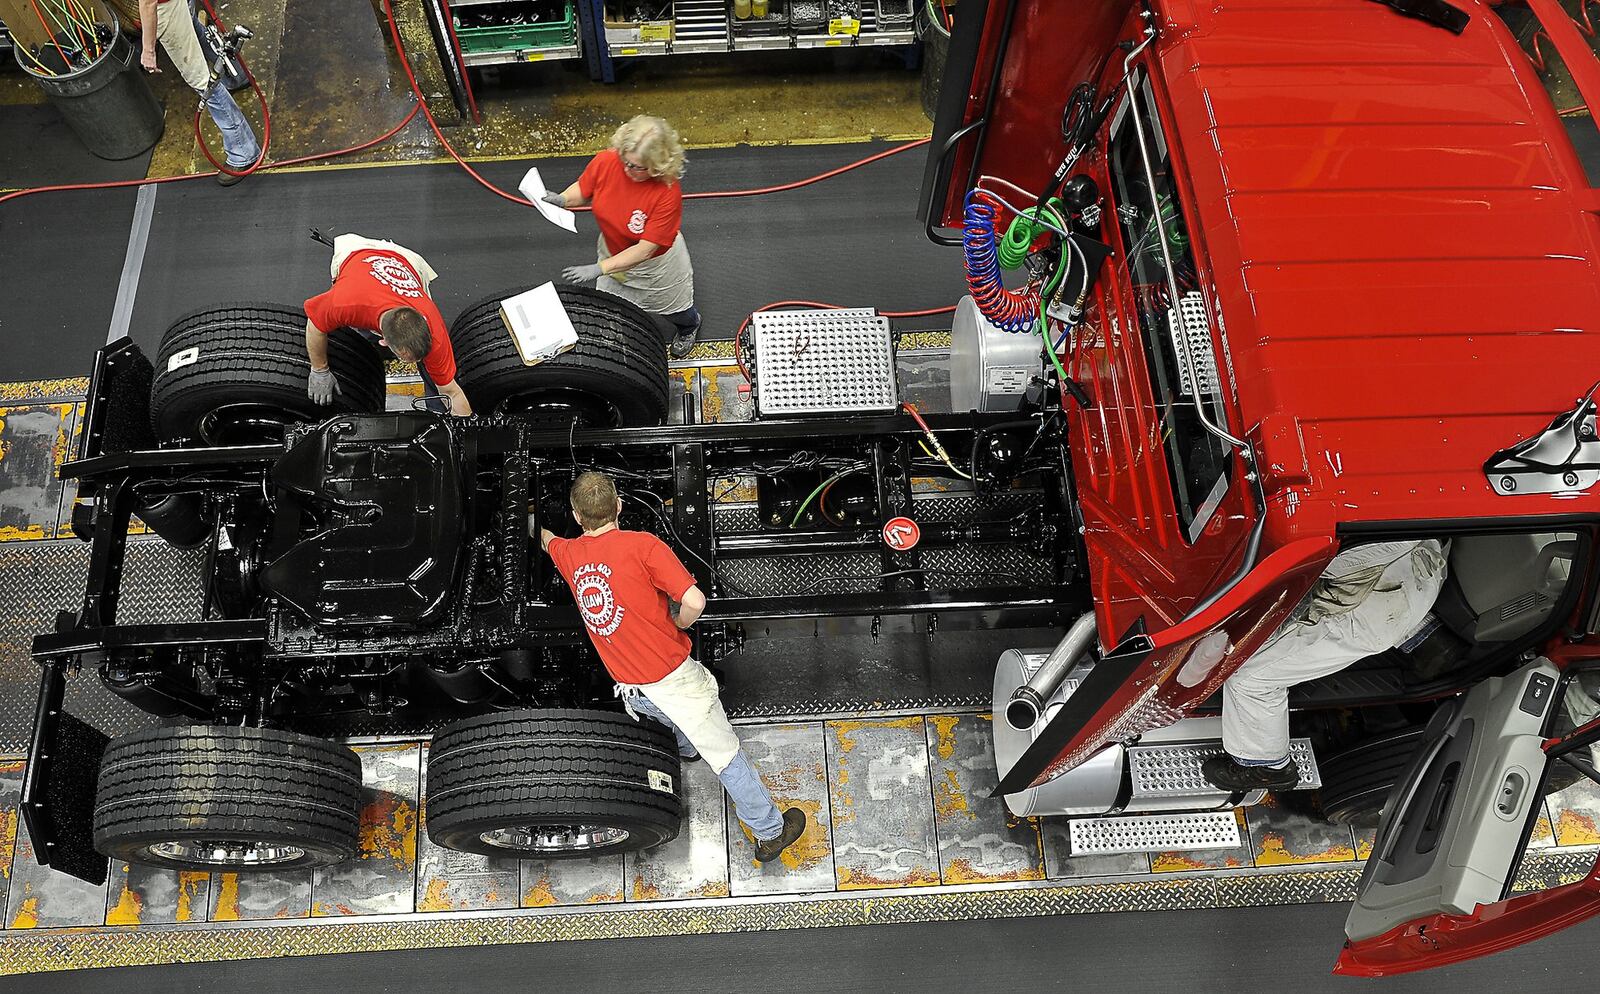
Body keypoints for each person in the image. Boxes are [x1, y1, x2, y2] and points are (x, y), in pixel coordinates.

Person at [538, 471, 806, 863]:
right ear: (619, 506)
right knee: (727, 755)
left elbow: (547, 541)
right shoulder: (643, 545)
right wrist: (680, 623)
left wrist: (530, 522)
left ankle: (686, 749)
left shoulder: (570, 554)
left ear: (578, 517)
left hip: (633, 691)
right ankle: (770, 832)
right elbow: (694, 600)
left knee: (671, 721)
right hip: (674, 680)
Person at [1202, 539, 1451, 792]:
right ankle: (1423, 635)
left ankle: (1267, 767)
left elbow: (1295, 586)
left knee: (1250, 678)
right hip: (1424, 566)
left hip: (1378, 607)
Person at [543, 116, 701, 359]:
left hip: (653, 267)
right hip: (613, 252)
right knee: (615, 301)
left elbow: (645, 250)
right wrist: (563, 199)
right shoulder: (608, 160)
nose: (627, 170)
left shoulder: (666, 193)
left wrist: (599, 268)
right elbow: (585, 189)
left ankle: (689, 326)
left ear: (657, 164)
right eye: (625, 161)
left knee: (672, 308)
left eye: (637, 167)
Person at [302, 234, 472, 416]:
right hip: (358, 254)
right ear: (384, 341)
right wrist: (320, 369)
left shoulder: (434, 328)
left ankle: (437, 413)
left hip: (406, 261)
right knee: (356, 335)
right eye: (406, 358)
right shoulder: (345, 304)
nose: (413, 363)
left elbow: (452, 393)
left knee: (436, 370)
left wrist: (464, 432)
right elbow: (315, 325)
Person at [139, 0, 260, 186]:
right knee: (196, 31)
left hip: (166, 8)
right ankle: (237, 77)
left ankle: (243, 152)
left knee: (202, 82)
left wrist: (148, 50)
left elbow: (148, 2)